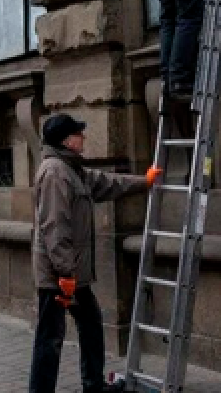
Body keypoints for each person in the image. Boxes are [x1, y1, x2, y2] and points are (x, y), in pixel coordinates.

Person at [28, 114, 162, 393]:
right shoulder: (55, 172)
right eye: (79, 133)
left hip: (72, 274)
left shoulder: (72, 169)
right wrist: (65, 273)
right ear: (67, 141)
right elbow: (55, 226)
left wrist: (143, 182)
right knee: (50, 338)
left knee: (89, 324)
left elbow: (106, 183)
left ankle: (93, 385)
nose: (84, 137)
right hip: (58, 275)